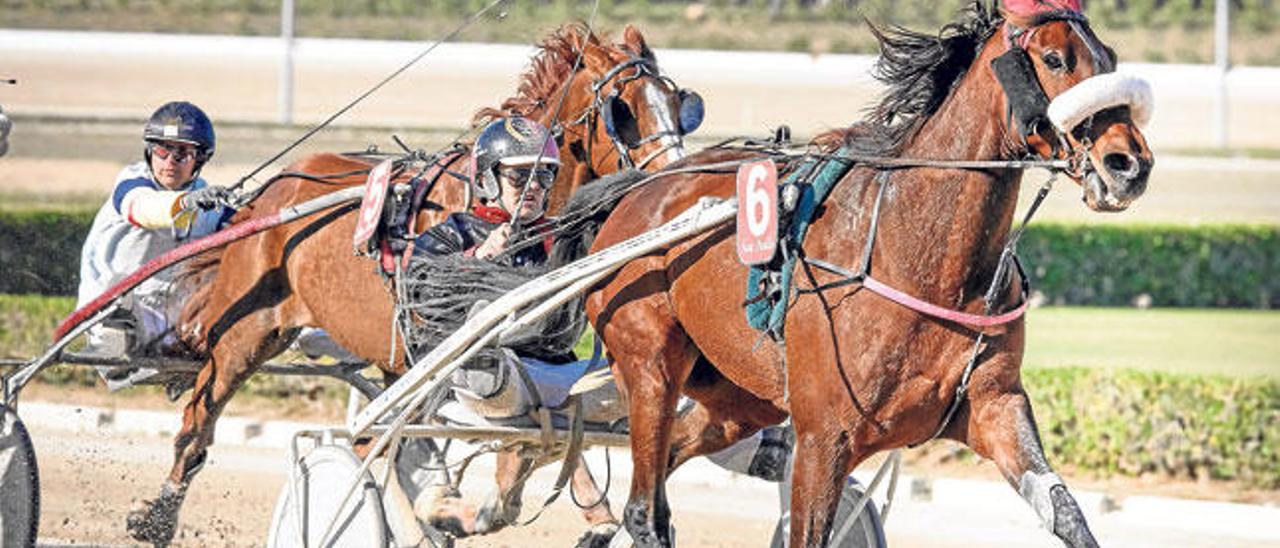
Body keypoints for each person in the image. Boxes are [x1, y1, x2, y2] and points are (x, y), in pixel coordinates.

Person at [76, 101, 232, 387]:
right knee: (120, 293)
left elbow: (250, 236)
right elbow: (143, 209)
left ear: (199, 159)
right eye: (162, 150)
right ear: (150, 152)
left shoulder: (208, 201)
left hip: (173, 325)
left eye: (183, 152)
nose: (170, 161)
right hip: (111, 313)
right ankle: (115, 354)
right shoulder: (132, 183)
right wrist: (184, 204)